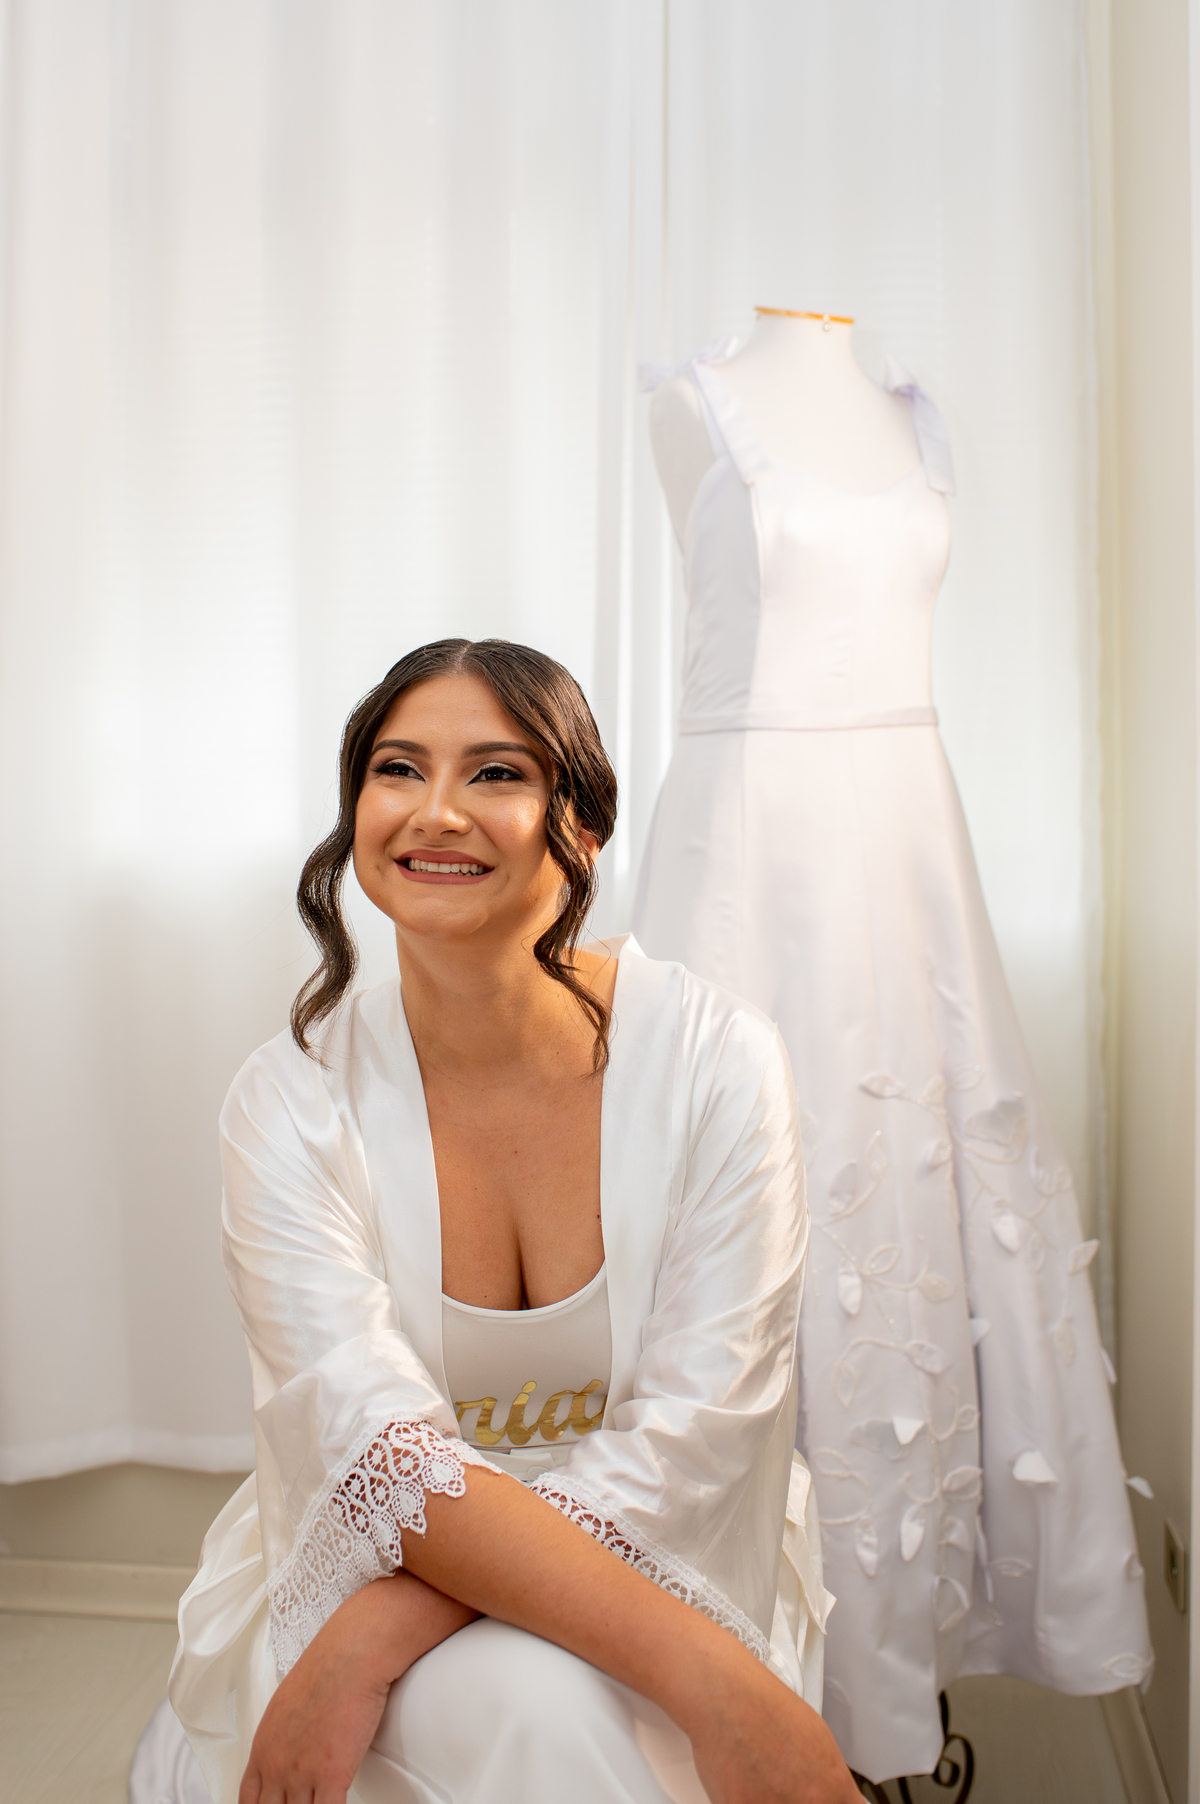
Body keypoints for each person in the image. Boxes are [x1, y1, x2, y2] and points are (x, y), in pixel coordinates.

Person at [169, 637, 857, 1804]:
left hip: (677, 1554)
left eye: (496, 772)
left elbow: (703, 1429)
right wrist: (716, 1690)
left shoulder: (717, 1062)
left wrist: (384, 1632)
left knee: (543, 1698)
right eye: (397, 768)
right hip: (365, 1552)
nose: (435, 811)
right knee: (537, 1704)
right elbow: (369, 1447)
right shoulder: (287, 1100)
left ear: (582, 825)